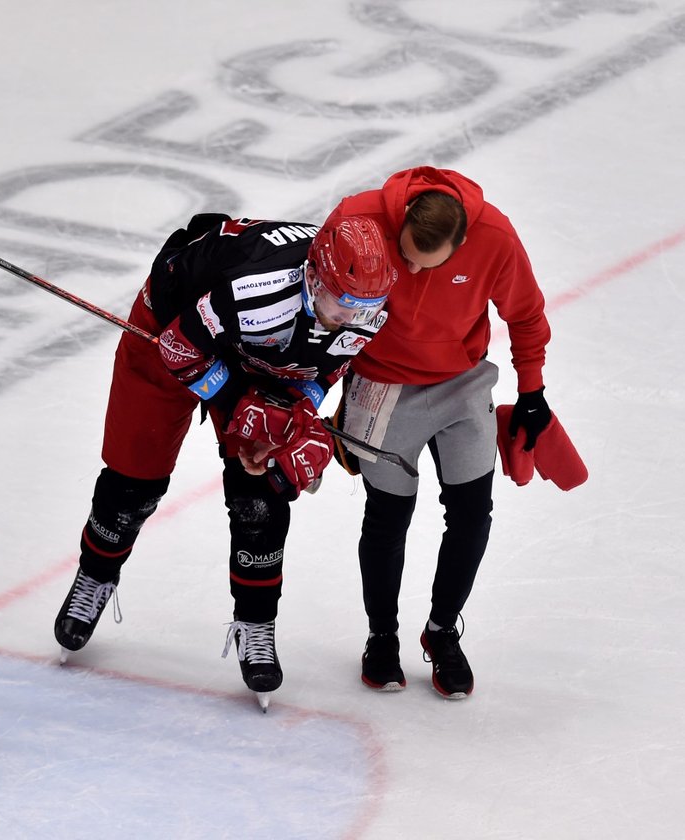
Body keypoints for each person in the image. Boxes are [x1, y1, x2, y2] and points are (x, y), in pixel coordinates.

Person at [52, 211, 396, 705]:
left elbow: (323, 366)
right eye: (345, 306)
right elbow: (177, 347)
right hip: (173, 329)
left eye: (368, 308)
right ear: (313, 278)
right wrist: (241, 405)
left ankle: (256, 623)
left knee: (260, 493)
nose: (356, 319)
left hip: (259, 352)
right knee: (134, 480)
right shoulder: (259, 291)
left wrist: (297, 413)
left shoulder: (366, 308)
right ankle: (95, 576)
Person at [324, 166, 554, 699]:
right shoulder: (356, 221)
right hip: (381, 384)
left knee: (473, 512)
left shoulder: (495, 237)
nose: (406, 267)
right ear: (401, 220)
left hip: (462, 382)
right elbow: (321, 303)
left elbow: (526, 315)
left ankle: (443, 630)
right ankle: (382, 637)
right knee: (387, 516)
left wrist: (532, 390)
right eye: (403, 254)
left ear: (462, 243)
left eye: (423, 263)